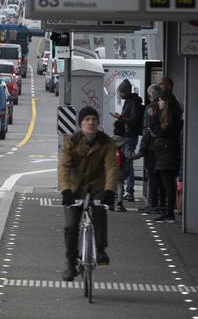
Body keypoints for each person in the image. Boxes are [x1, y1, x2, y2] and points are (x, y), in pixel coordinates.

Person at [59, 106, 119, 282]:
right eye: (87, 120)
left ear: (98, 123)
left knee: (100, 210)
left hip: (98, 188)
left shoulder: (107, 142)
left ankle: (100, 250)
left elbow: (111, 167)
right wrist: (65, 190)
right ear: (80, 124)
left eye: (94, 119)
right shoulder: (71, 141)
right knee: (71, 226)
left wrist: (109, 190)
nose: (91, 123)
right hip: (75, 189)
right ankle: (71, 264)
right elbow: (64, 167)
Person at [110, 79, 144, 204]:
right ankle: (124, 191)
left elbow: (133, 120)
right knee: (125, 162)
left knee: (127, 163)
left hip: (130, 135)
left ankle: (129, 191)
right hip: (128, 134)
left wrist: (121, 117)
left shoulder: (132, 103)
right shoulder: (130, 101)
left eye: (120, 92)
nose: (119, 95)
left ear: (126, 92)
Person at [150, 92, 183, 223]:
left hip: (167, 154)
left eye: (160, 101)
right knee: (166, 185)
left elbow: (159, 132)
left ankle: (169, 214)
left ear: (166, 102)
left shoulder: (171, 118)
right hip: (167, 153)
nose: (158, 103)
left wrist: (153, 118)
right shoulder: (173, 116)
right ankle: (167, 213)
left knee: (168, 185)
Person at [136, 84, 165, 214]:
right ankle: (161, 204)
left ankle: (153, 204)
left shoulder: (151, 108)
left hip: (151, 148)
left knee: (152, 176)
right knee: (160, 177)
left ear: (151, 95)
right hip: (161, 147)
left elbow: (147, 130)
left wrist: (141, 149)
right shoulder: (163, 108)